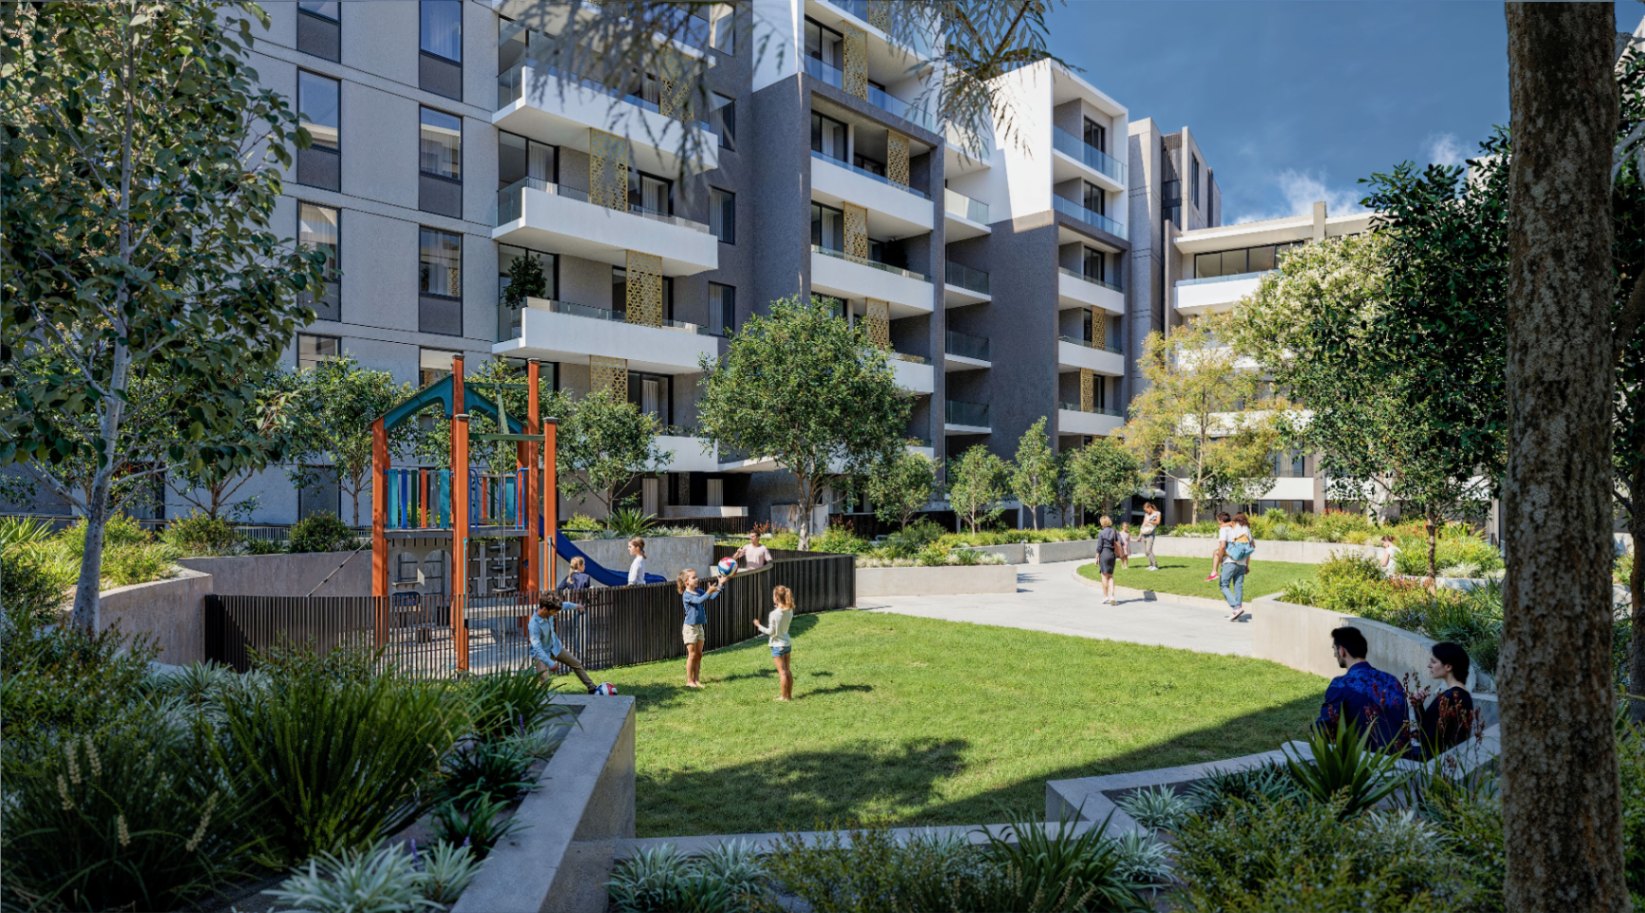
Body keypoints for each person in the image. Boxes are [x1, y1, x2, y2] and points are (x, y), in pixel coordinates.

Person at [1316, 626, 1408, 751]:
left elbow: (1324, 730)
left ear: (1342, 651)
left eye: (1334, 649)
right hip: (1401, 759)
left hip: (1365, 762)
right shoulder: (1391, 680)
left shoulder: (1341, 685)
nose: (1334, 654)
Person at [1406, 642, 1475, 760]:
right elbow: (1432, 731)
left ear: (1448, 666)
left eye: (1433, 662)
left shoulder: (1451, 697)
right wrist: (1418, 705)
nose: (1429, 665)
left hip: (1434, 764)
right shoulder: (1461, 695)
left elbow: (1428, 739)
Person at [528, 595, 597, 693]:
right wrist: (550, 663)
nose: (556, 614)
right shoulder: (534, 624)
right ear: (544, 609)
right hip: (541, 653)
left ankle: (592, 688)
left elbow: (565, 605)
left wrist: (577, 606)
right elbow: (537, 648)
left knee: (576, 663)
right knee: (544, 678)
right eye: (554, 612)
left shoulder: (550, 609)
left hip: (555, 647)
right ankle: (544, 702)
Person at [676, 567, 722, 688]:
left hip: (699, 626)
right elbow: (698, 601)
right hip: (690, 628)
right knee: (692, 654)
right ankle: (689, 681)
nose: (697, 579)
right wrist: (708, 592)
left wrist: (720, 584)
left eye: (696, 577)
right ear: (686, 582)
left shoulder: (698, 590)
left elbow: (711, 597)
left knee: (699, 654)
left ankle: (696, 680)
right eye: (694, 577)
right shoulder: (687, 595)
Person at [752, 584, 796, 701]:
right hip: (787, 643)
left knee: (782, 673)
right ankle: (789, 696)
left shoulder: (774, 614)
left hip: (777, 646)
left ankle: (783, 697)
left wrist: (758, 625)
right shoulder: (790, 610)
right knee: (787, 670)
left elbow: (770, 632)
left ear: (776, 597)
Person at [1219, 512, 1255, 621]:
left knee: (1223, 585)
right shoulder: (1247, 530)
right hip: (1242, 563)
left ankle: (1235, 607)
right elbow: (1252, 546)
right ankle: (1237, 609)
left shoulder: (1234, 526)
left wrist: (1221, 559)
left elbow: (1223, 543)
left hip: (1231, 561)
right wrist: (1247, 565)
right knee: (1238, 586)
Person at [1095, 515, 1120, 605]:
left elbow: (1099, 547)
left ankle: (1105, 596)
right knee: (1111, 576)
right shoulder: (1114, 531)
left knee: (1104, 576)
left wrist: (1096, 557)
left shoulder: (1101, 533)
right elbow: (1118, 543)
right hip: (1112, 555)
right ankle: (1112, 596)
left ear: (1102, 523)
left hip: (1104, 555)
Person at [1206, 512, 1232, 581]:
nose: (1217, 521)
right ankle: (1214, 573)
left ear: (1221, 521)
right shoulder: (1232, 527)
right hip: (1236, 549)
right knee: (1217, 551)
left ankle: (1214, 573)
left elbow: (1223, 546)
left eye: (1218, 520)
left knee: (1216, 552)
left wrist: (1220, 558)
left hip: (1231, 551)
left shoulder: (1223, 529)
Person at [1139, 502, 1161, 571]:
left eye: (1146, 509)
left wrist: (1149, 521)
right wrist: (1140, 534)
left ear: (1150, 507)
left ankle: (1155, 565)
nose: (1146, 511)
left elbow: (1158, 522)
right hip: (1144, 533)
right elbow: (1143, 524)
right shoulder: (1146, 514)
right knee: (1146, 551)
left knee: (1149, 550)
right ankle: (1151, 565)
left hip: (1150, 534)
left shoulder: (1157, 513)